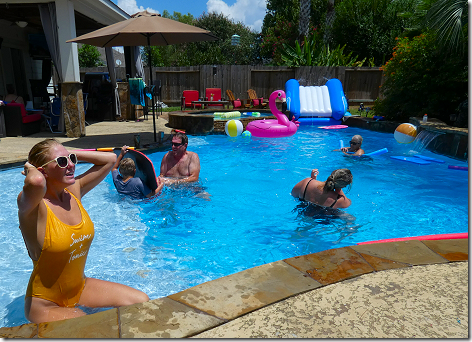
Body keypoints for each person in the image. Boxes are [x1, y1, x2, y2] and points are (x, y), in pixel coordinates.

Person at [18, 138, 149, 324]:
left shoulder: (74, 192)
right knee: (92, 327)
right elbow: (36, 183)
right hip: (44, 303)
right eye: (62, 162)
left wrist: (69, 154)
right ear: (42, 171)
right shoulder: (33, 208)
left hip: (80, 288)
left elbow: (110, 159)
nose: (71, 165)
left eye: (71, 159)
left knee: (141, 302)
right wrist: (32, 169)